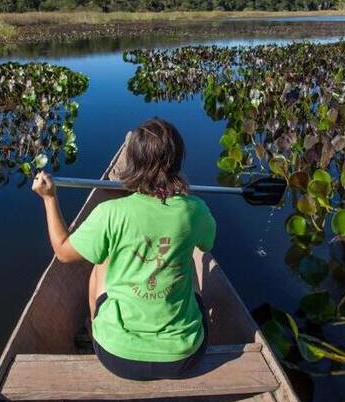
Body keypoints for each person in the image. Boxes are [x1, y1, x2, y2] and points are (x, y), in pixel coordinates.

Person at [31, 118, 216, 381]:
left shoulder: (110, 213)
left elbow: (62, 251)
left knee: (101, 262)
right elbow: (207, 245)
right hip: (183, 357)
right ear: (176, 162)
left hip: (116, 356)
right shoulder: (194, 210)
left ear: (134, 163)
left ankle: (97, 327)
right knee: (189, 262)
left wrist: (49, 198)